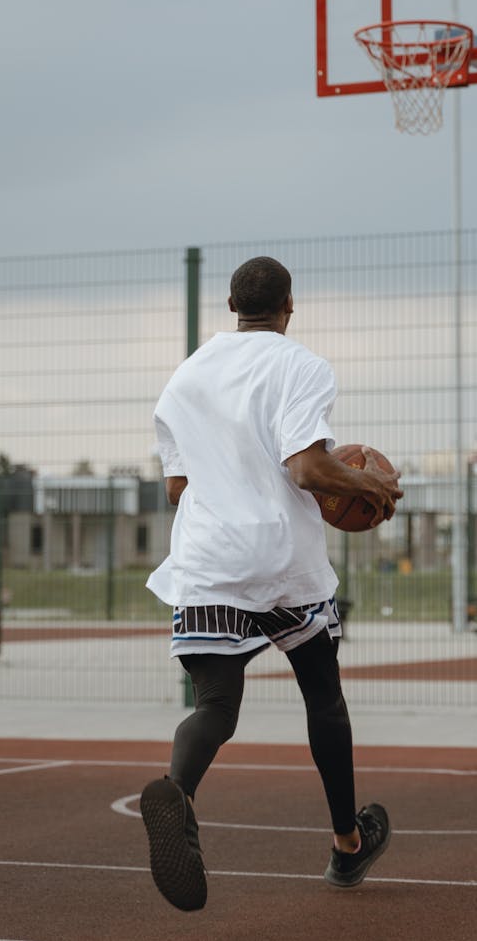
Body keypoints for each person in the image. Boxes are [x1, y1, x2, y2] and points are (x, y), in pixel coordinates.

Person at [140, 256, 402, 912]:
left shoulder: (186, 376)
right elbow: (309, 468)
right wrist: (367, 482)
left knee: (215, 705)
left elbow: (177, 486)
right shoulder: (300, 365)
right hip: (283, 561)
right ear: (289, 305)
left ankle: (179, 791)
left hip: (206, 557)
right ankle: (347, 846)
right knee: (323, 697)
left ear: (231, 303)